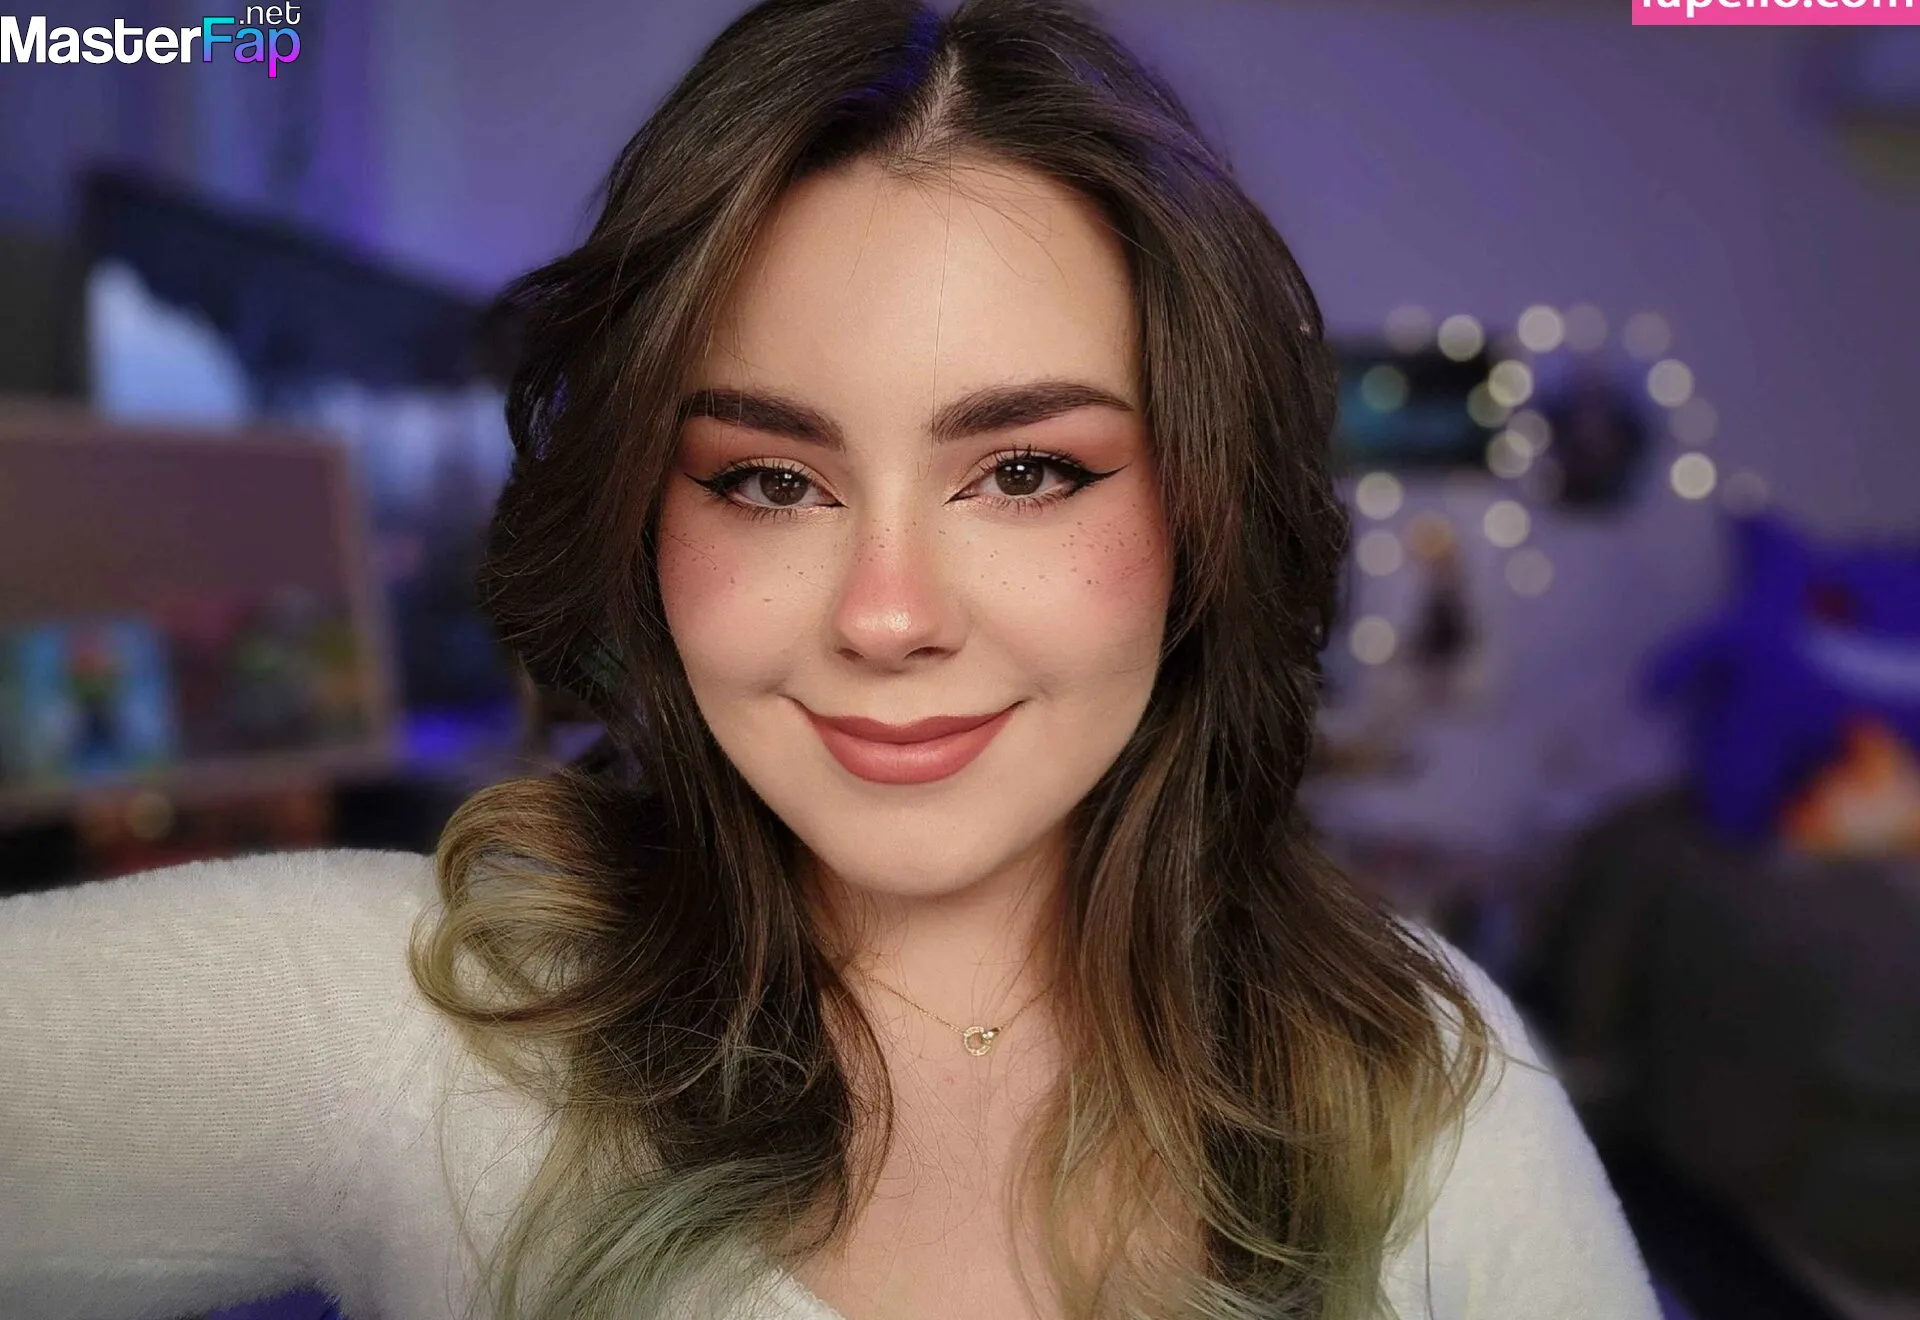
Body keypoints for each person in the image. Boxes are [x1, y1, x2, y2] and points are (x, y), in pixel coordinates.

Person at [0, 1, 1665, 1318]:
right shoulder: (428, 1022)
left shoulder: (1417, 1079)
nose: (886, 613)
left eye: (1029, 471)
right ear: (645, 521)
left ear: (1202, 515)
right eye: (770, 481)